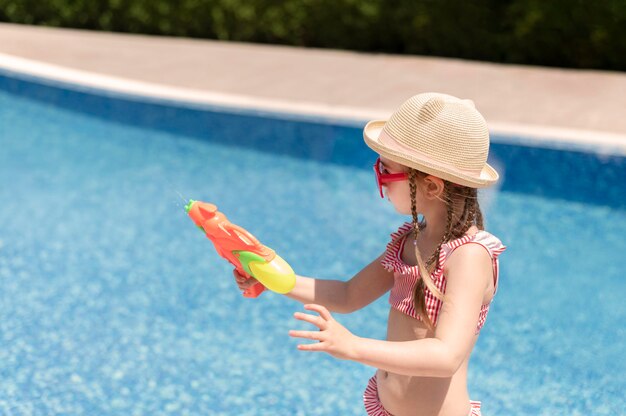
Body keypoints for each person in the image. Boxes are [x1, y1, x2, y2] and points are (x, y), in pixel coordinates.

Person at [234, 93, 506, 416]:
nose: (379, 179)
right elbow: (349, 294)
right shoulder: (409, 242)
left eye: (386, 171)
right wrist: (272, 277)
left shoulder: (469, 257)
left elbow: (446, 355)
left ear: (431, 187)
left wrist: (354, 347)